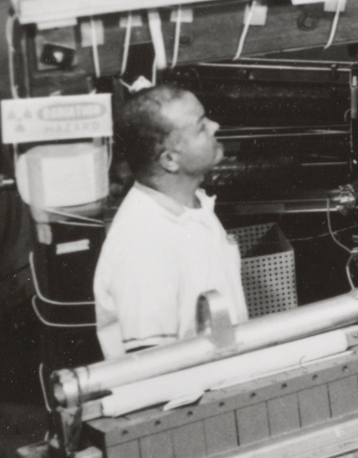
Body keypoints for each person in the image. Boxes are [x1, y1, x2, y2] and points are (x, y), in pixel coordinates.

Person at [92, 85, 249, 360]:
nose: (215, 126)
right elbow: (153, 367)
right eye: (201, 126)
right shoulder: (143, 243)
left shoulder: (192, 205)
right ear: (170, 160)